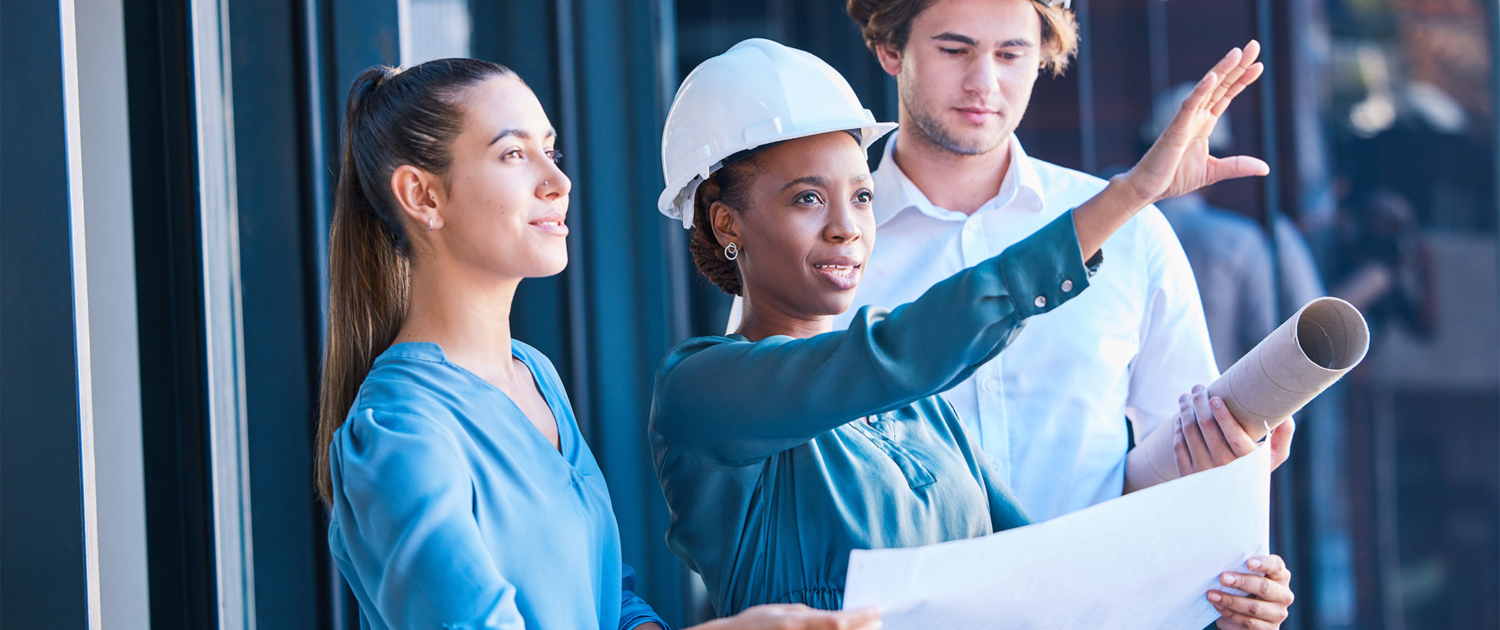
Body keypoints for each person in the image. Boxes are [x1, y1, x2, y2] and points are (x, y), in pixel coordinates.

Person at [650, 38, 1292, 629]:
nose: (848, 227)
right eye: (808, 199)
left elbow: (1056, 584)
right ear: (727, 223)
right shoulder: (701, 391)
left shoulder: (926, 413)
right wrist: (1128, 197)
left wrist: (1217, 601)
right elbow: (890, 355)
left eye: (864, 197)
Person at [315, 58, 881, 630]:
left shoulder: (533, 376)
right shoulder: (398, 432)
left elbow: (607, 600)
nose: (556, 181)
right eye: (514, 154)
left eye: (551, 152)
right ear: (422, 195)